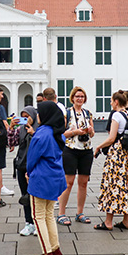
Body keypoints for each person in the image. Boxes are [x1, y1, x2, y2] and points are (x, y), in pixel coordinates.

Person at [27, 100, 68, 255]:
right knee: (49, 215)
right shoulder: (57, 132)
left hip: (41, 178)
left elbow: (32, 159)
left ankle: (47, 254)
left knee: (38, 216)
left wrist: (29, 173)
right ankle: (55, 249)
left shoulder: (41, 133)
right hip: (55, 176)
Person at [94, 90, 128, 231]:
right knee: (125, 185)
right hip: (126, 153)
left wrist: (99, 146)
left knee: (111, 184)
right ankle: (126, 220)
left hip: (116, 154)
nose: (110, 103)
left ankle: (108, 222)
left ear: (116, 102)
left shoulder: (116, 115)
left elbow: (112, 138)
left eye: (111, 100)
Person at [58, 87, 94, 226]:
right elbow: (62, 134)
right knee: (69, 182)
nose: (80, 99)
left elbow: (92, 134)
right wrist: (75, 132)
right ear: (72, 98)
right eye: (77, 96)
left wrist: (89, 131)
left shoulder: (88, 113)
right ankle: (61, 213)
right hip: (70, 149)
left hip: (86, 150)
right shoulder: (67, 113)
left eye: (82, 96)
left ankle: (80, 212)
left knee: (83, 182)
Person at [13, 106, 38, 236]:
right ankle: (29, 222)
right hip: (22, 165)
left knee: (37, 196)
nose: (26, 119)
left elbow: (43, 145)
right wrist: (11, 128)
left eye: (27, 116)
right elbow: (11, 142)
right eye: (23, 116)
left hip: (36, 167)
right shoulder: (21, 129)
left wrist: (33, 133)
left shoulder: (40, 129)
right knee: (25, 195)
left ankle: (38, 223)